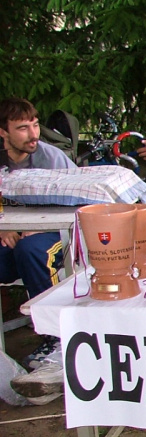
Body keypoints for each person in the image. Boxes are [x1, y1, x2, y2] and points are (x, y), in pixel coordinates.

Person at [0, 98, 76, 377]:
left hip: (52, 234)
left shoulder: (51, 158)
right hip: (8, 238)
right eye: (23, 128)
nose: (33, 134)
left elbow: (80, 201)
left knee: (31, 249)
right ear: (3, 132)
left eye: (35, 125)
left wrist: (41, 226)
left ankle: (56, 337)